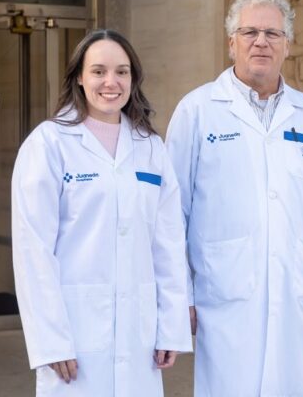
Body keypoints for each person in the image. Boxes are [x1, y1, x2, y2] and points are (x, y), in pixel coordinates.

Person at [165, 0, 303, 397]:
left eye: (273, 33)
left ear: (288, 44)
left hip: (295, 294)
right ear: (231, 43)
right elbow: (170, 214)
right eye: (250, 32)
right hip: (224, 296)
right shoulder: (197, 111)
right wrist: (181, 295)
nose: (261, 42)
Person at [11, 29, 191, 396]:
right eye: (99, 71)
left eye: (122, 72)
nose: (111, 82)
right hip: (74, 334)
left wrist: (170, 325)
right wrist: (51, 340)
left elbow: (168, 244)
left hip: (138, 334)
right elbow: (34, 251)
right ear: (79, 77)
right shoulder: (48, 144)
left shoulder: (151, 148)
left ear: (133, 78)